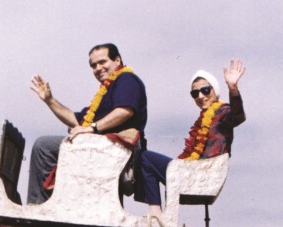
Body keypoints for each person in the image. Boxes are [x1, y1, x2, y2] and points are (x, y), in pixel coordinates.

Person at [27, 43, 148, 204]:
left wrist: (92, 128)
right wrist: (50, 101)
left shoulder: (126, 79)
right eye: (93, 65)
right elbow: (77, 120)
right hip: (103, 149)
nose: (98, 68)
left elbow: (124, 111)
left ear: (117, 60)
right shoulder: (106, 91)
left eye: (102, 62)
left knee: (44, 146)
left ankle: (38, 203)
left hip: (117, 151)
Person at [138, 59, 247, 215]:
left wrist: (233, 89)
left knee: (145, 158)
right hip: (193, 170)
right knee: (143, 158)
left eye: (206, 90)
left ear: (215, 91)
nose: (200, 96)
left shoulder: (222, 112)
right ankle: (156, 212)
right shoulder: (201, 120)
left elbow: (238, 117)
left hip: (203, 174)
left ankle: (155, 212)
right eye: (195, 93)